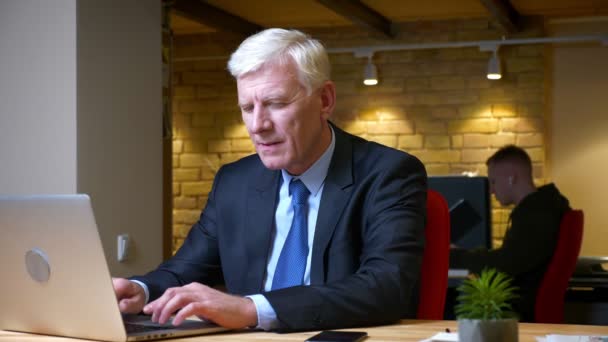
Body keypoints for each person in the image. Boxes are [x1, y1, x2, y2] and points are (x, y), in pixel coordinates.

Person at [113, 28, 427, 332]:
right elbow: (187, 268)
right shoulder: (234, 181)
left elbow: (386, 286)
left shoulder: (389, 173)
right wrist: (142, 290)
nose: (258, 125)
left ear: (325, 100)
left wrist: (250, 309)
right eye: (247, 108)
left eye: (276, 104)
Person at [450, 145, 570, 322]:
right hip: (520, 302)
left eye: (493, 182)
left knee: (449, 301)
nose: (491, 190)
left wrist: (452, 256)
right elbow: (512, 258)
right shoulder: (543, 208)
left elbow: (507, 263)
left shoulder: (537, 214)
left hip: (516, 310)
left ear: (511, 178)